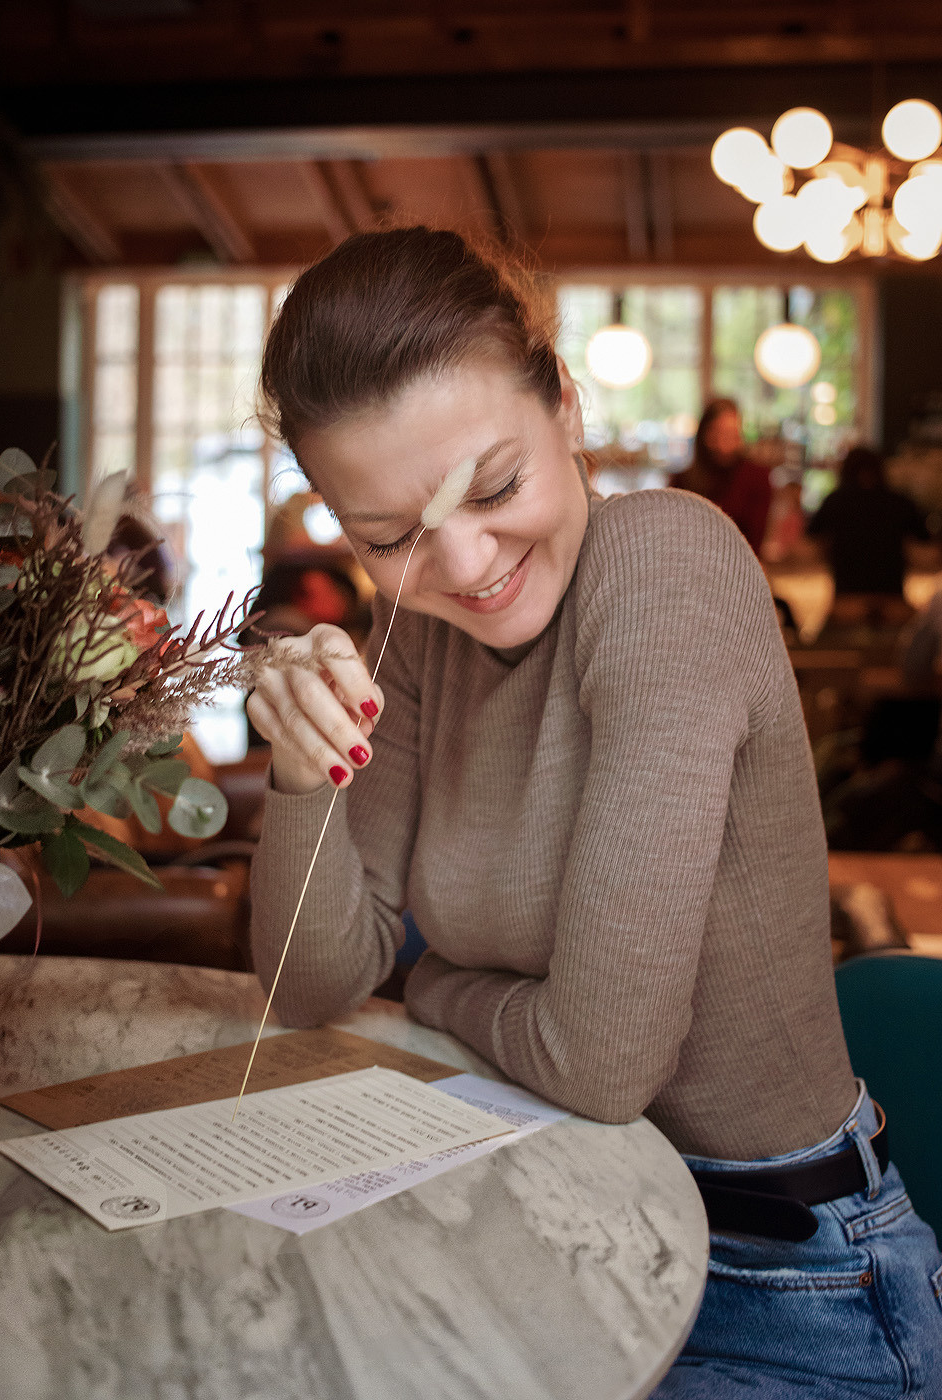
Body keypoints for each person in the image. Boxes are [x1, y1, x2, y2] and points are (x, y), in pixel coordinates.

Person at [246, 227, 942, 1396]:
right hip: (540, 1223)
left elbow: (604, 1061)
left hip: (777, 1282)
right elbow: (311, 985)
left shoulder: (664, 558)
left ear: (565, 404)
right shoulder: (418, 634)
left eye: (495, 486)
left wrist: (433, 983)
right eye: (388, 536)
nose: (464, 562)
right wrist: (299, 768)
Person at [808, 445, 933, 631]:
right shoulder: (900, 502)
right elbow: (926, 545)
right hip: (894, 605)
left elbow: (810, 543)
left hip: (846, 605)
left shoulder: (834, 502)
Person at [670, 397, 773, 555]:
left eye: (733, 433)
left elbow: (754, 541)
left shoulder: (756, 477)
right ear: (706, 434)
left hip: (741, 562)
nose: (728, 439)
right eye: (720, 432)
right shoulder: (683, 480)